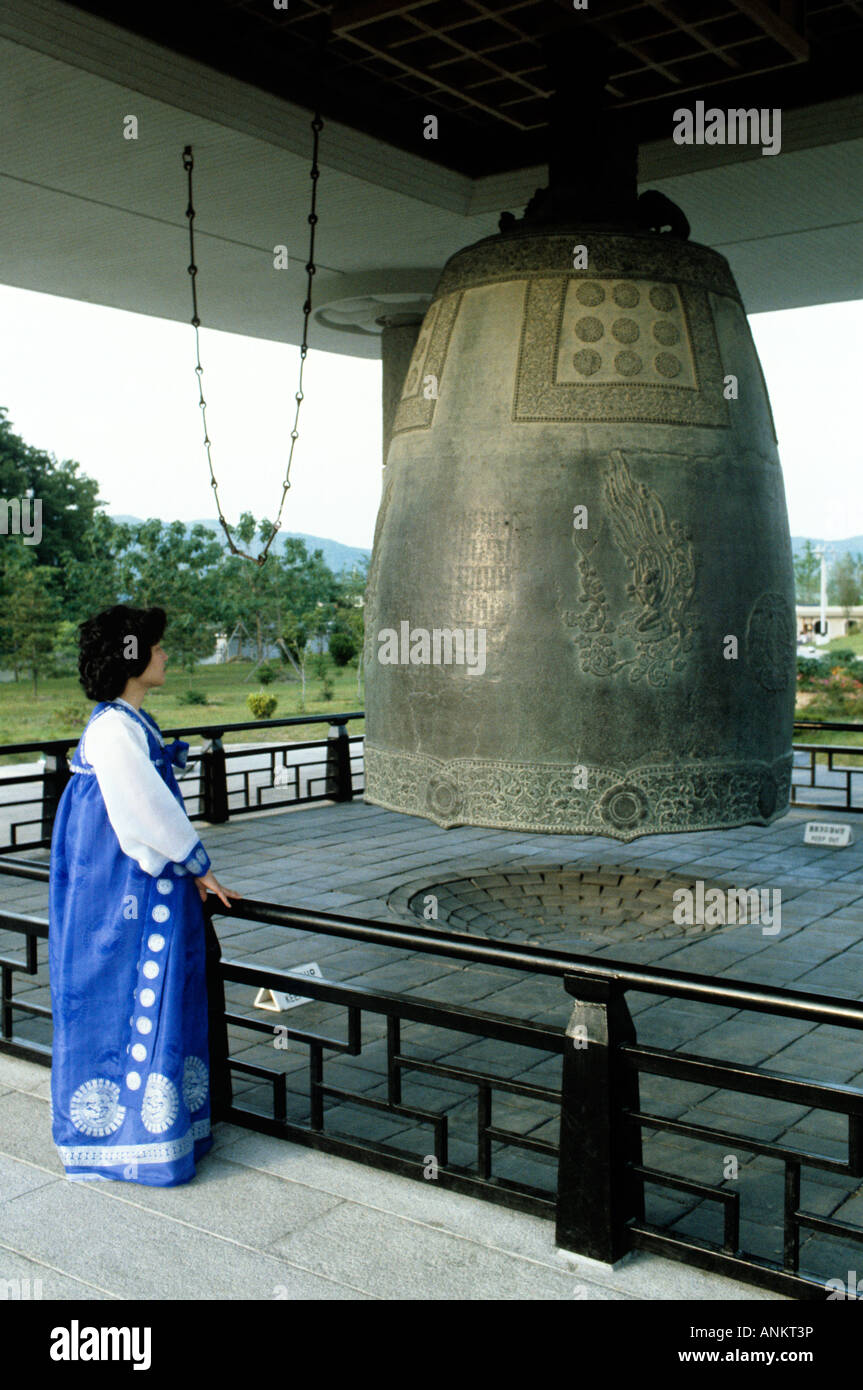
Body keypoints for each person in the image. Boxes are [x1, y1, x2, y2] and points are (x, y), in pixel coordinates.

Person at [48, 605, 240, 1186]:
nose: (164, 654)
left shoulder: (127, 721)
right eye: (156, 647)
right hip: (121, 884)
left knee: (143, 995)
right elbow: (148, 811)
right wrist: (197, 863)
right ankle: (126, 1139)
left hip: (120, 876)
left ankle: (155, 1130)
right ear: (132, 658)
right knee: (125, 995)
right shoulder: (113, 728)